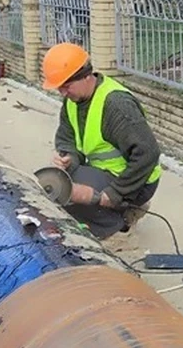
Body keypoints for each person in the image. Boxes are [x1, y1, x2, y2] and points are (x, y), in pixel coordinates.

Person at [43, 42, 162, 239]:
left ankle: (120, 221)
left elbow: (148, 153)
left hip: (137, 180)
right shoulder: (73, 101)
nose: (63, 93)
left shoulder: (116, 105)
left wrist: (115, 193)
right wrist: (69, 157)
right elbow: (67, 137)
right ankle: (116, 210)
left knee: (71, 196)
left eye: (66, 86)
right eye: (59, 88)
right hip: (103, 172)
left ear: (86, 76)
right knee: (57, 183)